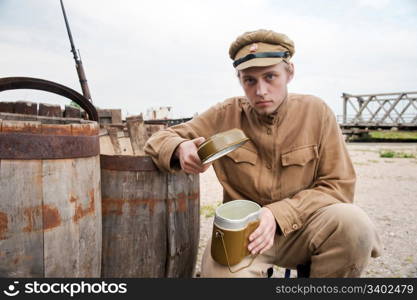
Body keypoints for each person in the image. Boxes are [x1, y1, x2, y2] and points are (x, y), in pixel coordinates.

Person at [144, 29, 381, 277]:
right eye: (250, 80)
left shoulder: (316, 112)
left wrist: (277, 214)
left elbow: (338, 186)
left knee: (354, 225)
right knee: (219, 277)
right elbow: (159, 139)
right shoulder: (225, 114)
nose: (261, 90)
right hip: (243, 233)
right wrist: (181, 147)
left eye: (270, 76)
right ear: (239, 79)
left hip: (305, 226)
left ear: (289, 73)